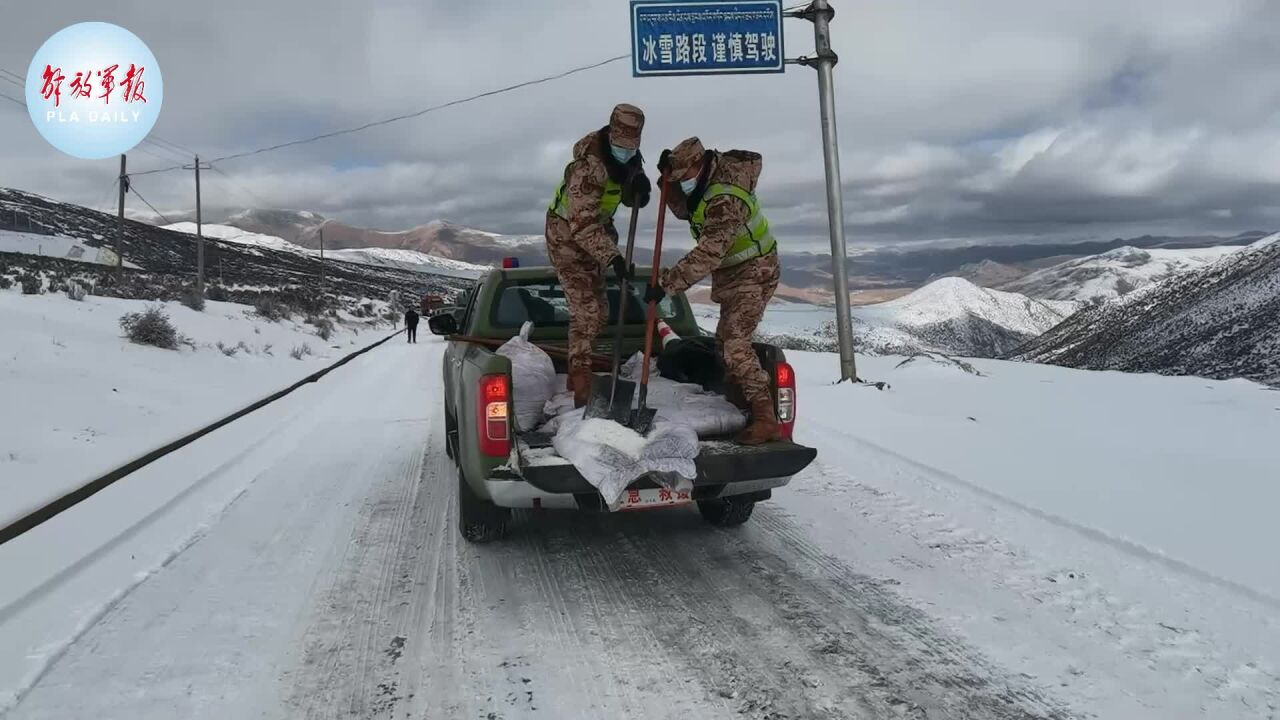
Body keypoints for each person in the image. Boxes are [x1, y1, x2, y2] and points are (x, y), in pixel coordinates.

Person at [646, 137, 780, 445]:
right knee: (723, 345)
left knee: (735, 344)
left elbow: (708, 254)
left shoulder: (724, 200)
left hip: (755, 271)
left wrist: (665, 286)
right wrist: (664, 180)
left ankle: (765, 417)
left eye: (683, 178)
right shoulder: (706, 182)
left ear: (698, 165)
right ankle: (739, 405)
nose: (682, 184)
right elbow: (683, 210)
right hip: (734, 273)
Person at [545, 103, 652, 406]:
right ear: (611, 135)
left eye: (632, 146)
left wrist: (638, 191)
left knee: (601, 312)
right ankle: (580, 378)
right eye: (621, 145)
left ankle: (577, 371)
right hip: (567, 235)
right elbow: (582, 225)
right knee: (587, 312)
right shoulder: (587, 168)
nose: (626, 151)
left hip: (599, 232)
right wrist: (613, 257)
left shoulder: (629, 159)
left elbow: (624, 195)